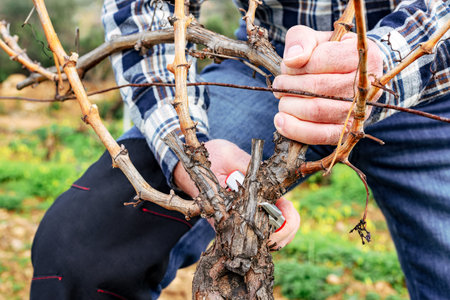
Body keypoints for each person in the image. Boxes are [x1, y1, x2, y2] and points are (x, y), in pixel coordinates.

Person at [30, 0, 449, 299]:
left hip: (429, 85)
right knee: (84, 247)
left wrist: (386, 64)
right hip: (269, 70)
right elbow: (143, 12)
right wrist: (188, 152)